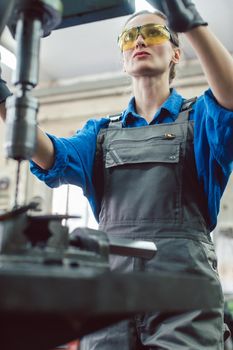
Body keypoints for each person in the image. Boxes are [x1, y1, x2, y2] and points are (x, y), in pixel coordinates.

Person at [1, 0, 233, 348]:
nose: (139, 41)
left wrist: (192, 25)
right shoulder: (100, 133)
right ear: (124, 60)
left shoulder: (202, 117)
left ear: (175, 53)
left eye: (153, 32)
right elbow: (50, 153)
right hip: (109, 298)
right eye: (129, 37)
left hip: (182, 296)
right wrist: (4, 97)